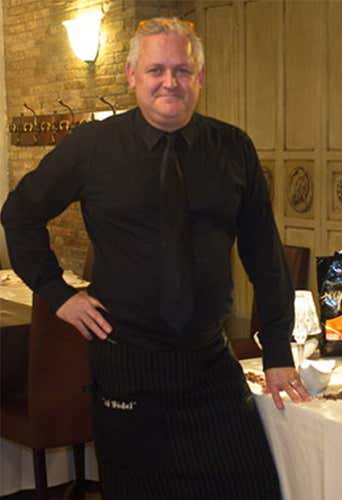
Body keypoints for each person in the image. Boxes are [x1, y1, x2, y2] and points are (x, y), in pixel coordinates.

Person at [1, 17, 309, 499]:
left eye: (182, 70)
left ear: (200, 77)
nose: (170, 82)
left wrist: (276, 351)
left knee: (252, 488)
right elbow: (20, 214)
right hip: (126, 363)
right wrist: (58, 294)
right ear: (132, 76)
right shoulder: (92, 146)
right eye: (156, 70)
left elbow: (264, 256)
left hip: (210, 363)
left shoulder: (232, 147)